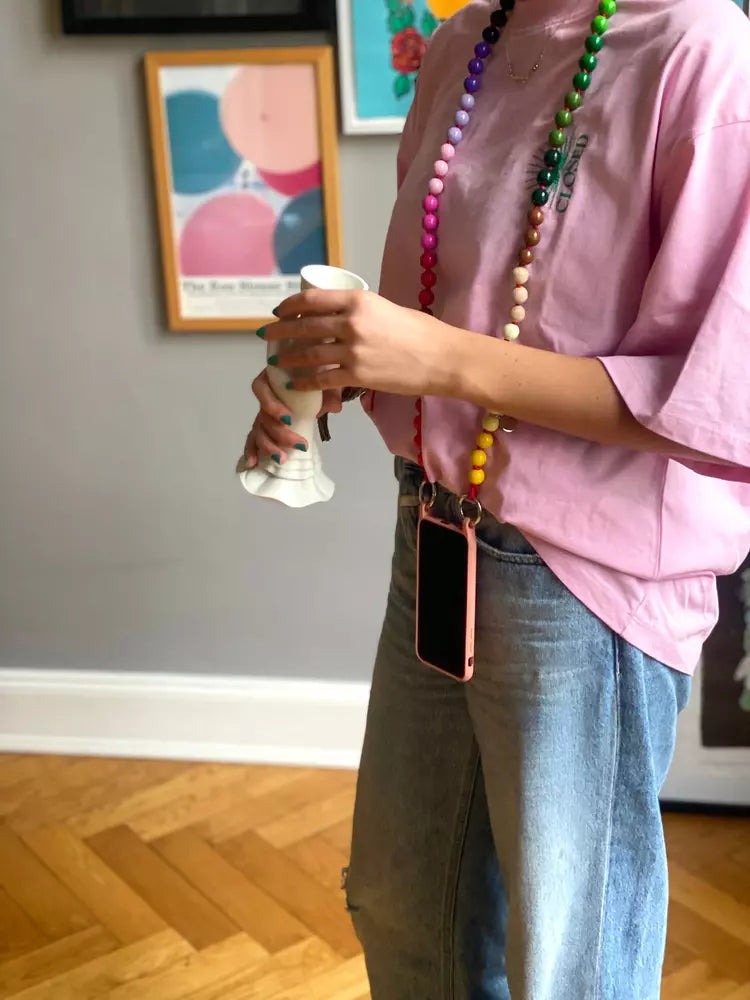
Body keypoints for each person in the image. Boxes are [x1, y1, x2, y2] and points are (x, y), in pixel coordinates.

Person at [241, 0, 750, 995]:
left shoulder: (701, 51)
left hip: (581, 589)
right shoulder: (463, 43)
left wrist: (435, 357)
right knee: (403, 908)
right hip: (432, 534)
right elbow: (446, 307)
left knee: (571, 965)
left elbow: (717, 402)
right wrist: (337, 369)